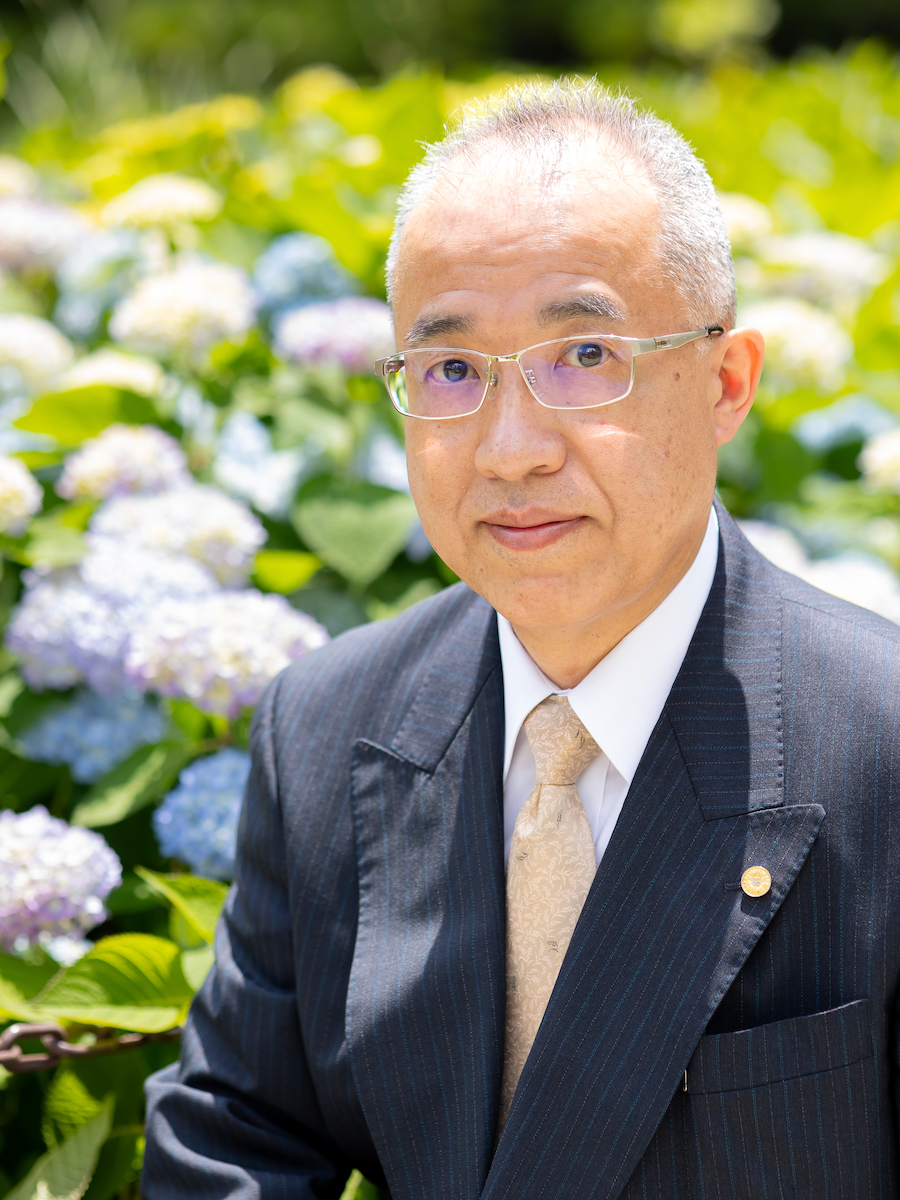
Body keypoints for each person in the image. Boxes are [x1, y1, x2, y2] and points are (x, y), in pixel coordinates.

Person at [143, 80, 900, 1198]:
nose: (510, 449)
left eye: (584, 355)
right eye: (451, 371)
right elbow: (236, 1136)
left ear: (726, 382)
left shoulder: (881, 741)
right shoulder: (327, 725)